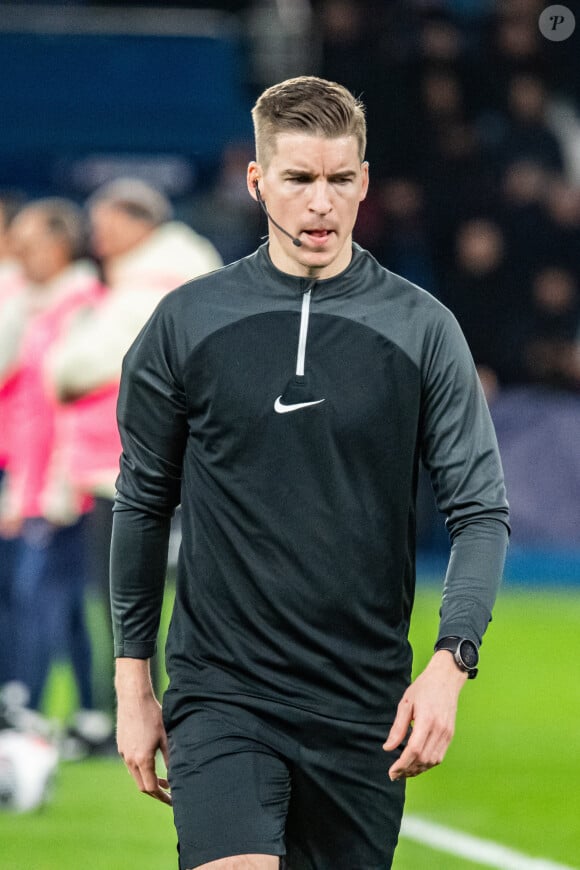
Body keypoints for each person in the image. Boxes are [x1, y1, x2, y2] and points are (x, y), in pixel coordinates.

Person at [112, 76, 510, 870]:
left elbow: (479, 511)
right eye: (298, 179)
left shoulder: (424, 328)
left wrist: (450, 661)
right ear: (259, 182)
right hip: (222, 692)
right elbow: (143, 502)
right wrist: (133, 684)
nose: (320, 202)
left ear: (365, 180)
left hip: (363, 705)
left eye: (338, 179)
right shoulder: (186, 323)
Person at [0, 198, 103, 711]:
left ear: (60, 245)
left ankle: (26, 710)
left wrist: (48, 482)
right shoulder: (44, 304)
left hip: (62, 479)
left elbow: (57, 408)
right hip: (40, 477)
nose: (21, 257)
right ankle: (86, 710)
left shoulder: (80, 304)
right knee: (59, 603)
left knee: (38, 597)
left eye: (31, 246)